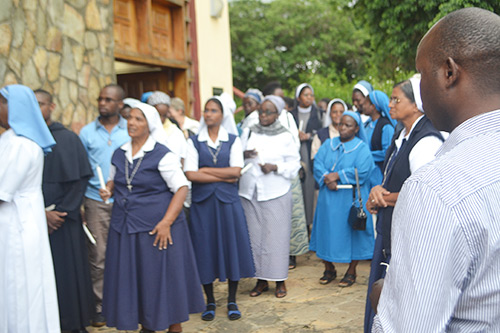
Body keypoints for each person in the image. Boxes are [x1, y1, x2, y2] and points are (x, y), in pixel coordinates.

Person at [372, 8, 500, 332]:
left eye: (422, 73)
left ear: (448, 72)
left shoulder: (437, 187)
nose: (420, 88)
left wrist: (384, 299)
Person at [99, 102, 204, 333]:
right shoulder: (120, 153)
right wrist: (108, 189)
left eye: (139, 119)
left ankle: (172, 327)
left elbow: (181, 188)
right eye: (130, 118)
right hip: (126, 228)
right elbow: (116, 181)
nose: (132, 123)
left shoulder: (162, 154)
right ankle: (147, 325)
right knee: (137, 281)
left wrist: (166, 223)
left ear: (150, 124)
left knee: (162, 281)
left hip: (157, 230)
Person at [362, 78, 444, 332]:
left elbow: (422, 192)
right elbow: (391, 178)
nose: (390, 104)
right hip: (390, 228)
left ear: (417, 104)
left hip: (408, 234)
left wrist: (383, 198)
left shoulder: (427, 140)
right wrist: (377, 190)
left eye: (396, 99)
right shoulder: (401, 133)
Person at [184, 97, 255, 321]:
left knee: (231, 247)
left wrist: (206, 171)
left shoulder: (233, 140)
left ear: (222, 115)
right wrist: (222, 175)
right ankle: (210, 301)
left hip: (227, 203)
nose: (208, 114)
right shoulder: (194, 141)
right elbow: (190, 174)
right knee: (205, 249)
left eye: (213, 110)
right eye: (206, 110)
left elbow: (237, 171)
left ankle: (232, 300)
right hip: (203, 205)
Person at [0, 84, 59, 333]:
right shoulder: (9, 139)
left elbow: (3, 190)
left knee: (20, 288)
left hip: (18, 226)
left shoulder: (22, 145)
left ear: (15, 107)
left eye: (1, 102)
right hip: (15, 221)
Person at [36, 89, 95, 333]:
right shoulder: (22, 139)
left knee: (68, 276)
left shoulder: (69, 139)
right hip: (33, 221)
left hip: (64, 221)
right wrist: (41, 214)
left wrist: (58, 213)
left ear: (51, 107)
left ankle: (74, 324)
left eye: (41, 104)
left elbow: (79, 180)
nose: (37, 109)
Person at [239, 95, 301, 298]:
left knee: (276, 239)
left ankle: (280, 280)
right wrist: (245, 153)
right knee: (255, 239)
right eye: (261, 111)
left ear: (278, 114)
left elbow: (294, 166)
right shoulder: (249, 131)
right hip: (250, 191)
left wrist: (275, 167)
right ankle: (261, 280)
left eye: (268, 112)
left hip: (276, 191)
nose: (263, 115)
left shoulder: (285, 135)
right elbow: (237, 154)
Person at [79, 83, 130, 326]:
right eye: (100, 99)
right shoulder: (87, 133)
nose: (102, 103)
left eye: (109, 99)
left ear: (120, 104)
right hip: (94, 201)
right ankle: (100, 306)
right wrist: (81, 204)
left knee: (126, 252)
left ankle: (127, 302)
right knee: (98, 255)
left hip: (125, 201)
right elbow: (81, 170)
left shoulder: (130, 130)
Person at [310, 111, 375, 287]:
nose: (343, 128)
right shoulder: (328, 144)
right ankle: (328, 268)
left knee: (351, 234)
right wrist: (326, 178)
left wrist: (337, 176)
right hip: (328, 199)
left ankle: (351, 270)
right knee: (326, 231)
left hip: (349, 199)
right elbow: (317, 164)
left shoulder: (361, 148)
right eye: (341, 124)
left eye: (348, 125)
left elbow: (363, 171)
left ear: (356, 128)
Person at [290, 83, 323, 227]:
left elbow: (323, 131)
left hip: (310, 152)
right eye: (305, 95)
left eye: (311, 95)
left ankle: (309, 223)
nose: (309, 98)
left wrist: (308, 135)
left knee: (309, 187)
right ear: (298, 97)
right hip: (294, 152)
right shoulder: (290, 114)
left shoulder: (319, 113)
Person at [361, 90, 396, 185]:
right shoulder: (366, 124)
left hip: (377, 174)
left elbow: (387, 152)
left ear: (373, 107)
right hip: (365, 172)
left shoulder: (386, 127)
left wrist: (366, 156)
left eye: (365, 103)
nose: (362, 105)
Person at [147, 91, 187, 164]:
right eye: (158, 115)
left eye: (164, 115)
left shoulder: (176, 132)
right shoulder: (144, 131)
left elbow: (182, 158)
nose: (161, 119)